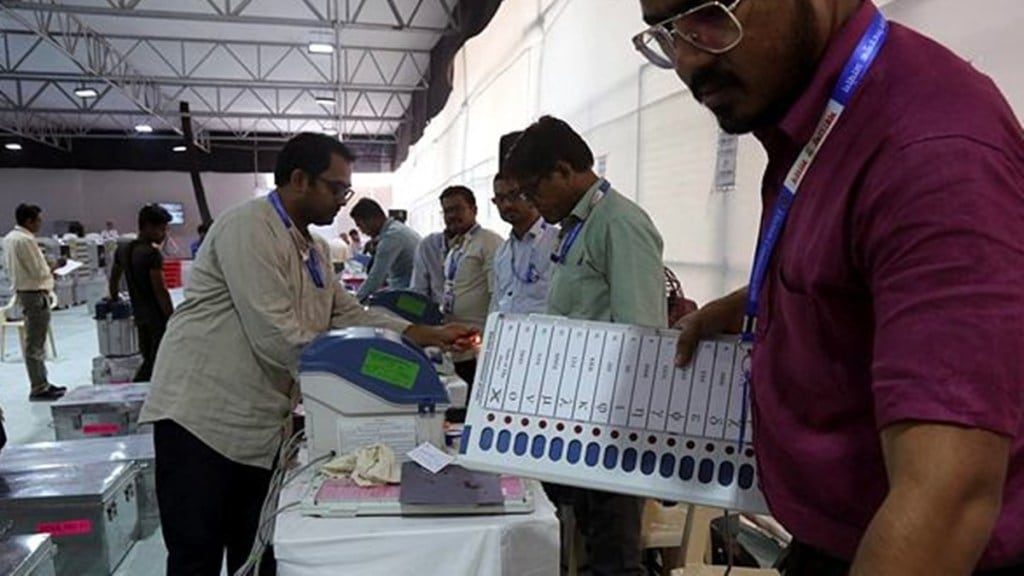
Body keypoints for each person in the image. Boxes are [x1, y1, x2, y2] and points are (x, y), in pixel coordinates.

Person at [633, 1, 1024, 574]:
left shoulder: (932, 151)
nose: (689, 59)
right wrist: (750, 302)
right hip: (838, 535)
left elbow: (947, 503)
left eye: (710, 12)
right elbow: (864, 266)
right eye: (666, 32)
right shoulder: (820, 114)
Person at [139, 133, 477, 576]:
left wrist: (427, 334)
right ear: (299, 179)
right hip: (202, 418)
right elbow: (278, 336)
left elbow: (349, 315)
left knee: (255, 551)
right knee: (196, 556)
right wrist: (374, 379)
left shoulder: (313, 249)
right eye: (337, 188)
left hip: (259, 426)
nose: (343, 199)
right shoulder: (249, 227)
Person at [503, 115, 666, 576]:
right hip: (581, 417)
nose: (532, 203)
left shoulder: (620, 225)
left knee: (614, 558)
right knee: (591, 543)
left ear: (562, 170)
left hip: (616, 420)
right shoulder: (577, 226)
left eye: (534, 190)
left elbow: (642, 336)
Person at [439, 185, 503, 385]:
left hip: (478, 347)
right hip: (456, 343)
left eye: (457, 209)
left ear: (474, 209)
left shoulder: (489, 241)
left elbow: (498, 295)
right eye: (447, 210)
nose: (451, 215)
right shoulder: (456, 246)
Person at [2, 204, 67, 401]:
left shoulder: (10, 238)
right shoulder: (26, 240)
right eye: (38, 220)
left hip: (24, 291)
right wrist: (57, 265)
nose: (40, 223)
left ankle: (42, 382)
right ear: (29, 221)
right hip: (35, 293)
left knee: (35, 342)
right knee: (35, 344)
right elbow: (38, 270)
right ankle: (39, 387)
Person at [109, 204, 174, 383]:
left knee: (148, 356)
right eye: (161, 229)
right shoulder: (152, 254)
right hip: (156, 317)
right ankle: (136, 392)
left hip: (139, 315)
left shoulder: (123, 250)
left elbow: (114, 279)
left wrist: (114, 297)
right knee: (156, 362)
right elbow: (160, 290)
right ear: (148, 227)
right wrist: (171, 316)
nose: (164, 234)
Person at [490, 172, 559, 314]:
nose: (507, 204)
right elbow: (497, 303)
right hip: (507, 332)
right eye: (500, 198)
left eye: (514, 195)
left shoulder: (558, 242)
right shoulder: (503, 251)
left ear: (531, 196)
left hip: (542, 333)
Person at [350, 198, 421, 300]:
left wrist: (354, 303)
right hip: (406, 290)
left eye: (360, 225)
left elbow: (375, 279)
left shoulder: (392, 237)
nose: (362, 231)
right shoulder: (397, 229)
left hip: (410, 300)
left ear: (372, 219)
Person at [411, 230, 449, 307]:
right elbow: (417, 292)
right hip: (435, 312)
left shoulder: (478, 245)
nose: (452, 217)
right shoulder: (429, 244)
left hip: (471, 315)